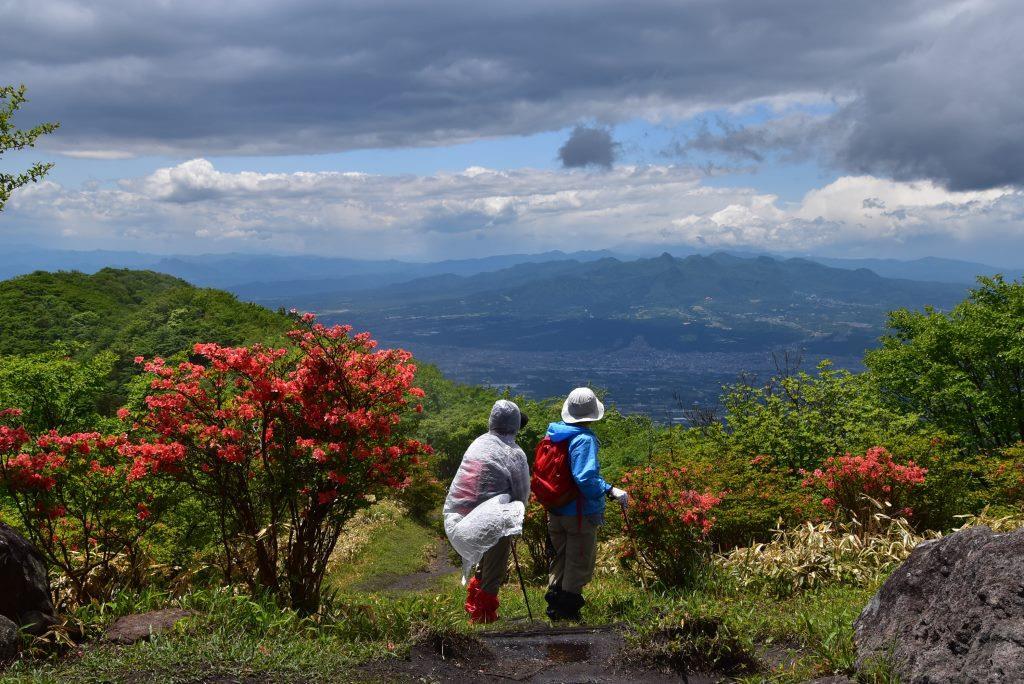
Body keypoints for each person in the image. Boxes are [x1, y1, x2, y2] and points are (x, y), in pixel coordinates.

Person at [544, 387, 628, 621]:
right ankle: (568, 614)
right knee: (578, 562)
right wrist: (609, 489)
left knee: (560, 559)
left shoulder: (553, 435)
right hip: (579, 513)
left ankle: (555, 609)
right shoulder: (583, 439)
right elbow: (585, 477)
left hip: (555, 510)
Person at [442, 399, 530, 624]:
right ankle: (483, 616)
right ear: (516, 425)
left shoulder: (479, 443)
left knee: (484, 563)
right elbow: (521, 495)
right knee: (494, 568)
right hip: (494, 520)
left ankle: (474, 605)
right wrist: (516, 520)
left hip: (463, 518)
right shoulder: (514, 453)